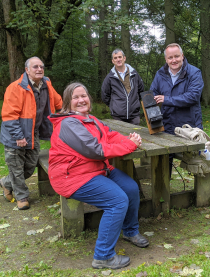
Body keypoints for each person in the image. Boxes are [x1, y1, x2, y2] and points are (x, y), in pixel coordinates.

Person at [48, 82, 149, 269]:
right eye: (75, 97)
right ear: (67, 103)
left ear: (89, 99)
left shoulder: (91, 119)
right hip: (73, 176)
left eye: (83, 96)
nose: (81, 100)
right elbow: (94, 150)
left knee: (131, 188)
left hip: (96, 169)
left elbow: (110, 135)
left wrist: (129, 140)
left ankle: (130, 231)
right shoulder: (69, 124)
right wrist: (130, 146)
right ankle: (103, 256)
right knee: (117, 201)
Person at [0, 57, 62, 210]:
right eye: (35, 67)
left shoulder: (46, 85)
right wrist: (19, 136)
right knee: (16, 166)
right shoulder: (15, 88)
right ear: (27, 70)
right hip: (15, 134)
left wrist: (70, 113)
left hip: (33, 133)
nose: (39, 69)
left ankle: (6, 183)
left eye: (41, 66)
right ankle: (22, 197)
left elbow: (59, 103)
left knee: (30, 166)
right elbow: (9, 115)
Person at [150, 43, 204, 174]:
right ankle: (164, 191)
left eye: (176, 56)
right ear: (166, 59)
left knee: (197, 162)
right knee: (163, 160)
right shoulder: (160, 74)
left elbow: (193, 96)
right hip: (167, 125)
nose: (173, 60)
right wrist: (151, 99)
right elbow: (153, 92)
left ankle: (200, 194)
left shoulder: (194, 72)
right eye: (170, 57)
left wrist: (166, 99)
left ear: (182, 56)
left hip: (189, 127)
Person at [101, 49, 145, 125]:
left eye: (120, 57)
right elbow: (105, 95)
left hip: (134, 116)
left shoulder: (134, 74)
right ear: (113, 61)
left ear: (124, 58)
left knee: (135, 136)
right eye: (115, 58)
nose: (118, 59)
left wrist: (134, 103)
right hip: (118, 117)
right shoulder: (110, 77)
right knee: (120, 136)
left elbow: (141, 90)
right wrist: (114, 106)